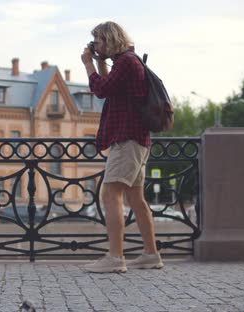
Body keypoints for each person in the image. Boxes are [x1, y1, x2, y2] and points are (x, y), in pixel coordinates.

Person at [80, 21, 164, 273]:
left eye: (98, 41)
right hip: (137, 139)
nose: (95, 46)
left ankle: (115, 258)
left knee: (110, 194)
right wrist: (101, 61)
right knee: (135, 198)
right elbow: (111, 86)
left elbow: (101, 89)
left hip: (127, 139)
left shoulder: (127, 62)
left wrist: (88, 64)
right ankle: (151, 254)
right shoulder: (128, 61)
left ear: (108, 39)